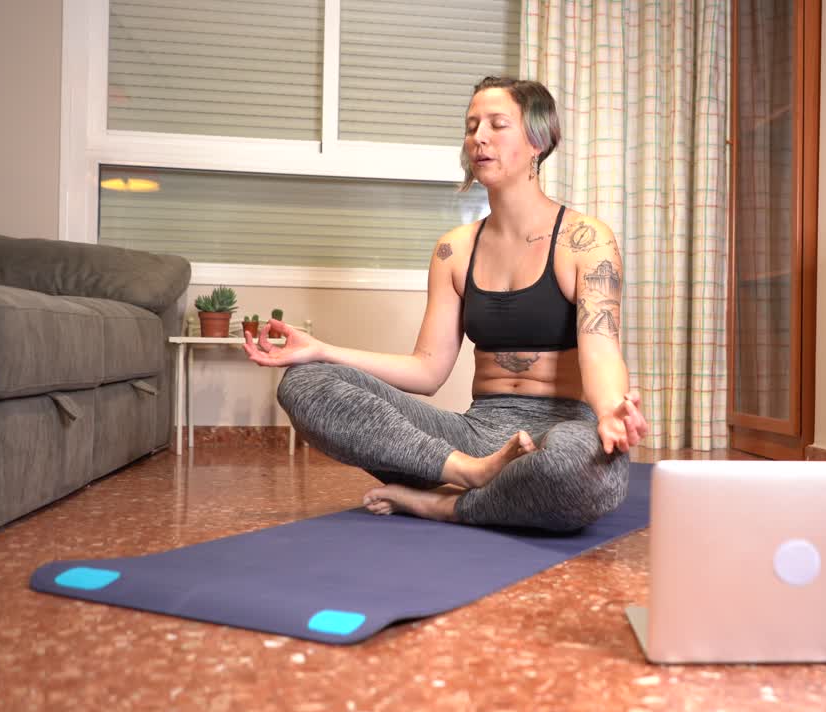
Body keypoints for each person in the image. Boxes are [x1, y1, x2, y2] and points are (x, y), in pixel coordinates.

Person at [242, 76, 648, 532]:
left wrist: (612, 410)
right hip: (474, 437)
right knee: (305, 385)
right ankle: (466, 476)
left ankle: (443, 504)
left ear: (538, 141)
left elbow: (601, 349)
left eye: (497, 124)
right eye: (471, 126)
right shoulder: (454, 250)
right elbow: (428, 370)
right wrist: (321, 349)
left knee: (573, 472)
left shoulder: (585, 240)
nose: (479, 137)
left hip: (561, 431)